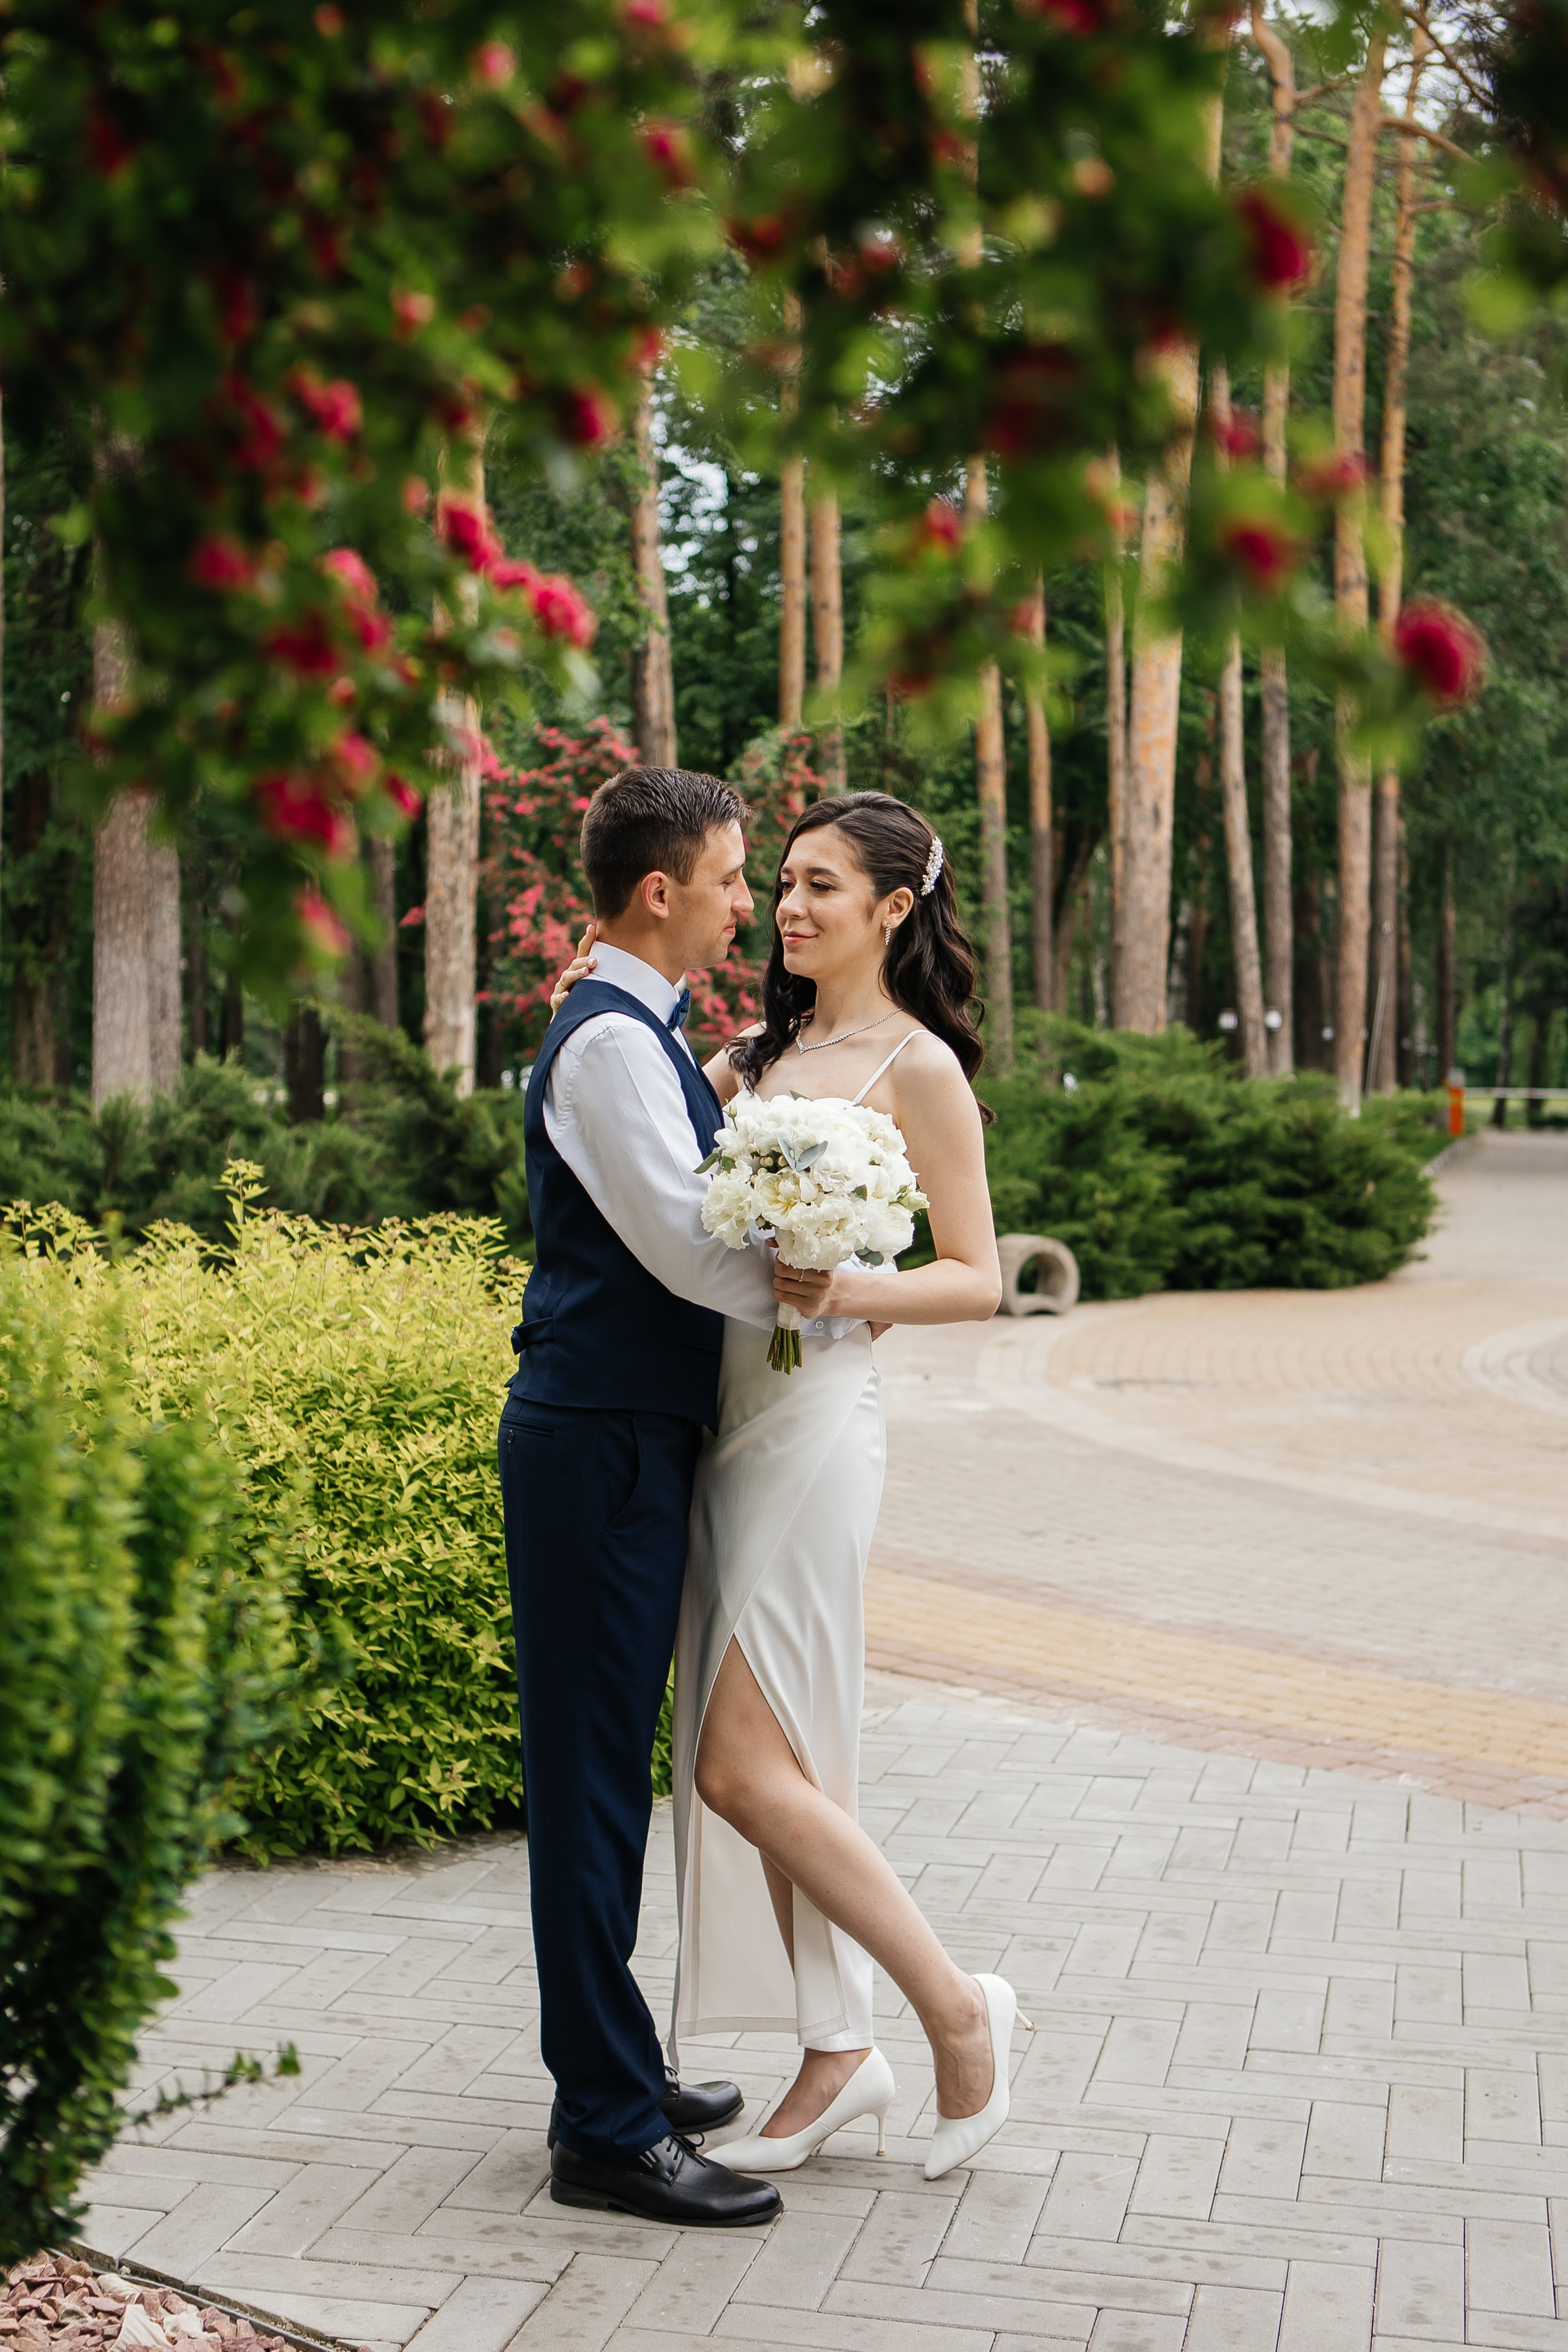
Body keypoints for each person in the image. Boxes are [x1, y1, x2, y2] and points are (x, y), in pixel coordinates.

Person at [548, 791, 1023, 2184]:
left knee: (739, 1766)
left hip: (815, 1427)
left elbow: (978, 1276)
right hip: (719, 1426)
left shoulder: (918, 1069)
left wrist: (849, 1287)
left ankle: (956, 2017)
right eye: (783, 883)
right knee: (776, 1759)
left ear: (893, 909)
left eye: (820, 887)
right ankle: (834, 2045)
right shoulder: (744, 1057)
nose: (787, 910)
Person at [500, 765, 813, 2229]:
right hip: (598, 1437)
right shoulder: (610, 1047)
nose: (747, 899)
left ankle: (610, 2068)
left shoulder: (644, 1036)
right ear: (658, 891)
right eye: (734, 875)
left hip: (629, 1431)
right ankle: (606, 2130)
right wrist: (839, 1286)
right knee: (582, 1781)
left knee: (608, 1774)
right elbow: (690, 1255)